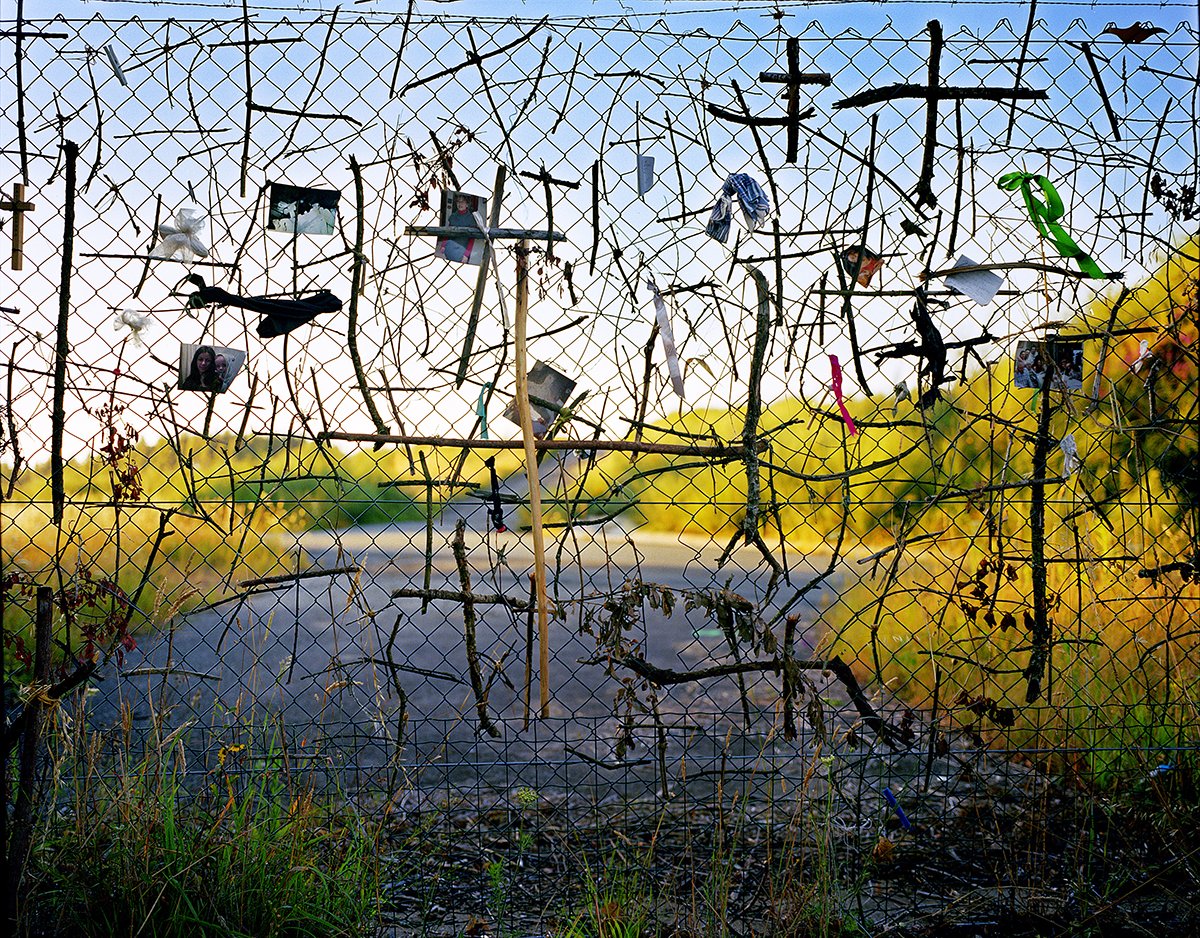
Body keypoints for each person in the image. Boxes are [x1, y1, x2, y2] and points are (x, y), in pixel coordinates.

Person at [440, 193, 476, 263]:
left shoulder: (471, 218)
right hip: (450, 246)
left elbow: (472, 239)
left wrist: (466, 255)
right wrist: (443, 245)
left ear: (467, 204)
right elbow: (448, 232)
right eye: (458, 201)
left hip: (462, 248)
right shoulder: (453, 216)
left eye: (462, 202)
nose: (460, 204)